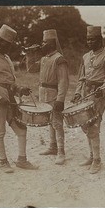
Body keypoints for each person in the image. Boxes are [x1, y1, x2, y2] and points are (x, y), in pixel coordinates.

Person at [0, 24, 38, 173]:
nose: (8, 47)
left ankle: (22, 160)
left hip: (10, 98)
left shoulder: (7, 58)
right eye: (6, 44)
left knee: (21, 128)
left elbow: (10, 82)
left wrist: (19, 89)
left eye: (10, 44)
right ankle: (3, 162)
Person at [71, 26, 105, 174]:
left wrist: (102, 91)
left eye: (92, 39)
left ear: (100, 40)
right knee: (85, 124)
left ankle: (97, 160)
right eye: (88, 39)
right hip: (85, 92)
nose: (89, 42)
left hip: (98, 95)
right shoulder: (85, 56)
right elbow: (81, 78)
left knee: (94, 125)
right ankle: (91, 156)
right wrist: (77, 93)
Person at [38, 29, 69, 165]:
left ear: (52, 43)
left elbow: (63, 81)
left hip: (54, 94)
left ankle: (61, 151)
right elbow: (29, 69)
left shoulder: (59, 59)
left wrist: (60, 99)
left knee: (57, 122)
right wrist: (29, 54)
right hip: (43, 93)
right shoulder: (44, 58)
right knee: (49, 121)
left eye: (45, 42)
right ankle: (52, 147)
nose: (42, 44)